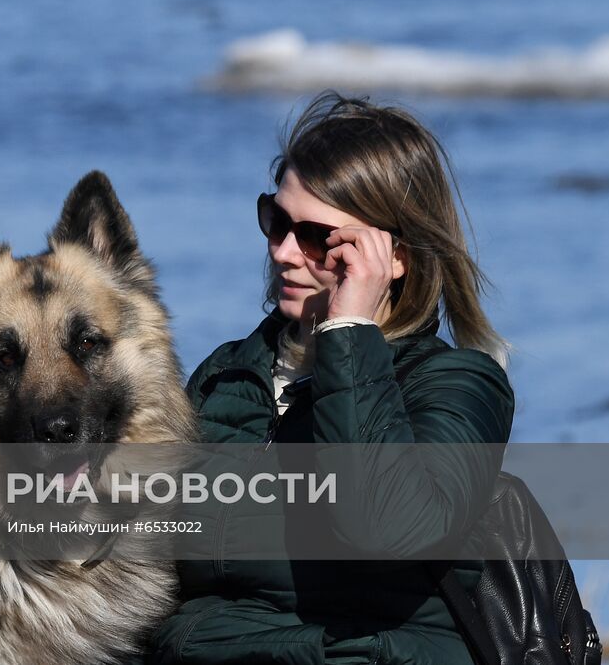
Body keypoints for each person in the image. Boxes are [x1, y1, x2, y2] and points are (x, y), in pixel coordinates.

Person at [146, 90, 515, 665]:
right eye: (277, 221)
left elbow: (386, 529)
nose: (286, 253)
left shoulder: (459, 384)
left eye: (318, 237)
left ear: (395, 257)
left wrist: (348, 329)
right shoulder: (226, 377)